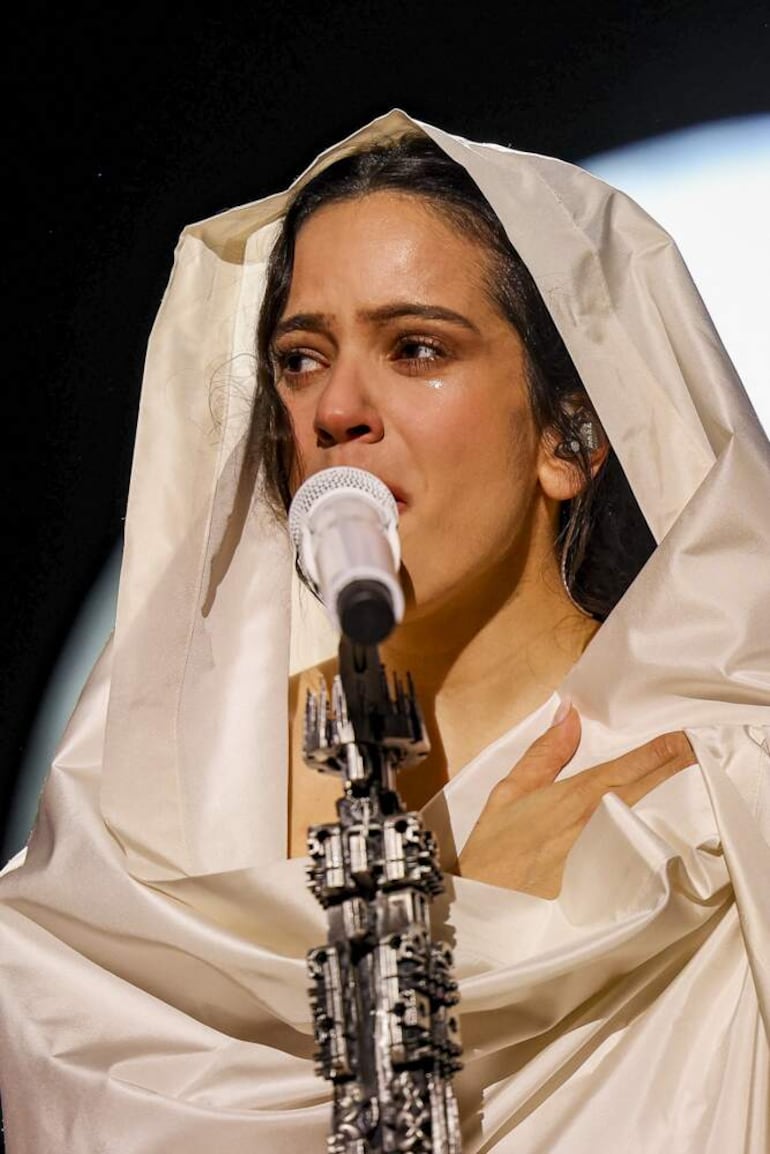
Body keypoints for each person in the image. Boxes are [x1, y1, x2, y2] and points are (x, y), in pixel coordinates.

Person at [0, 110, 767, 1152]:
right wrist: (472, 927)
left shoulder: (721, 798)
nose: (337, 408)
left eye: (416, 348)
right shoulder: (135, 824)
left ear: (570, 435)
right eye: (300, 358)